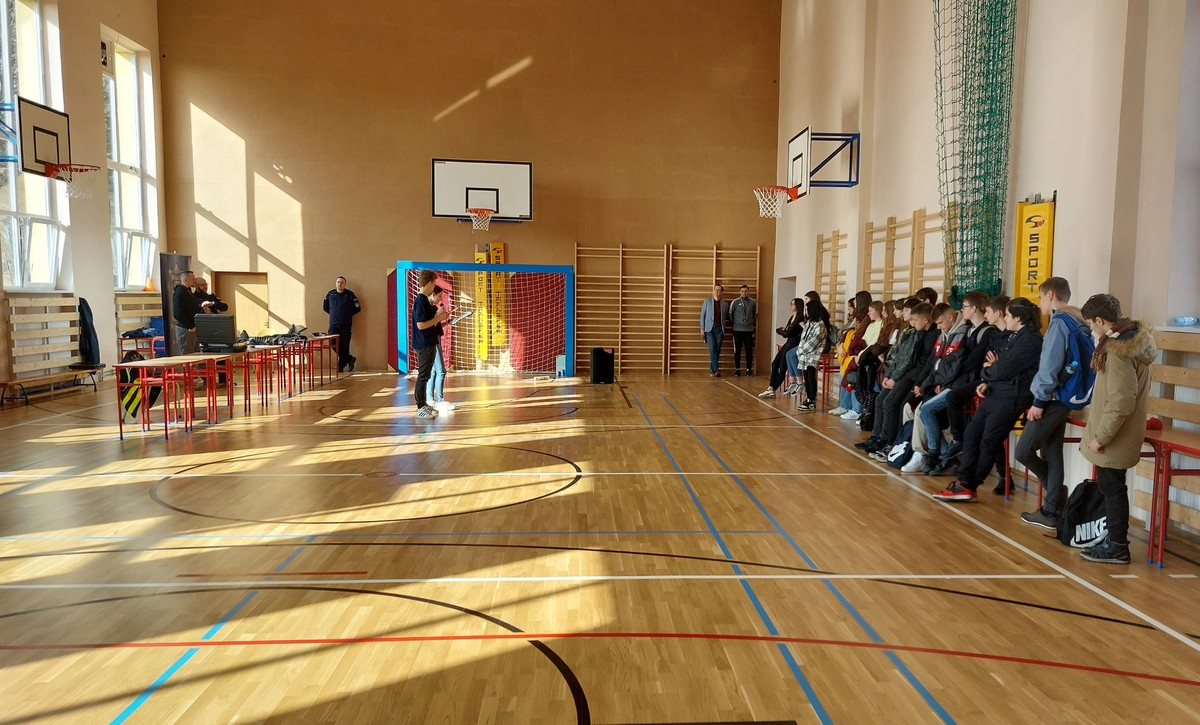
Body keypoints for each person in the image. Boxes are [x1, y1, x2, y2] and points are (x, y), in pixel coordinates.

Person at [932, 297, 1043, 501]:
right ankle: (963, 482)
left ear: (1018, 318)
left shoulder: (1030, 340)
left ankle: (969, 485)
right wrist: (989, 377)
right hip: (997, 391)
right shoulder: (1014, 336)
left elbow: (1003, 368)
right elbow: (995, 366)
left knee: (989, 441)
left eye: (1008, 315)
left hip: (1012, 395)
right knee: (972, 434)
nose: (1005, 319)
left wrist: (990, 370)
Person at [1077, 294, 1156, 564]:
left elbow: (1121, 400)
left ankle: (1118, 546)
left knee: (1112, 489)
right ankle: (1114, 540)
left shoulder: (1118, 350)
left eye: (1090, 323)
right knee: (1113, 487)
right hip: (1120, 432)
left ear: (1100, 320)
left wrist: (1101, 437)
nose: (1090, 329)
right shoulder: (1129, 342)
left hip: (1114, 436)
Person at [1018, 277, 1086, 530]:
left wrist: (1039, 401)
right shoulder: (1078, 321)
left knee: (1023, 451)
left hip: (1052, 398)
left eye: (1040, 297)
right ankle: (1050, 511)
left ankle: (1055, 498)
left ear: (1050, 295)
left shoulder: (1059, 323)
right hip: (1066, 396)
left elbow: (1050, 366)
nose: (1039, 304)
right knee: (1053, 452)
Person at [903, 303, 971, 474]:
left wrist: (937, 384)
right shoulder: (943, 335)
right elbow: (933, 363)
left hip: (953, 386)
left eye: (940, 323)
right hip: (937, 384)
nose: (939, 327)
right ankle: (944, 455)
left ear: (950, 318)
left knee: (923, 411)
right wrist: (922, 383)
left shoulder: (963, 334)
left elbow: (954, 368)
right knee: (914, 409)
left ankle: (928, 453)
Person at [412, 270, 448, 419]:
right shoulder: (420, 300)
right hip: (424, 343)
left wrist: (438, 316)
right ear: (429, 283)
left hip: (429, 342)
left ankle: (424, 404)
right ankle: (420, 407)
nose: (434, 286)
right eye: (434, 283)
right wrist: (439, 317)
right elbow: (421, 325)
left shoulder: (425, 301)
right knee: (423, 375)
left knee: (426, 375)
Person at [791, 293, 831, 411]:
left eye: (807, 310)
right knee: (806, 378)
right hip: (804, 355)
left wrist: (801, 350)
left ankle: (811, 400)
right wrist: (800, 350)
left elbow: (814, 341)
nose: (806, 312)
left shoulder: (820, 324)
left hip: (812, 355)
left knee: (811, 377)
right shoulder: (809, 323)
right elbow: (803, 338)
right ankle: (808, 398)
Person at [760, 298, 803, 398]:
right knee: (775, 364)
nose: (790, 306)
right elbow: (786, 332)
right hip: (788, 343)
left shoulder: (800, 318)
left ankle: (773, 389)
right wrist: (782, 331)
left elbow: (787, 332)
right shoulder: (792, 317)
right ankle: (770, 387)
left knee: (782, 367)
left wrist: (780, 331)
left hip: (793, 344)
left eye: (792, 304)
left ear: (797, 306)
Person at [426, 285, 456, 412]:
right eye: (439, 296)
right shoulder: (429, 308)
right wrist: (438, 315)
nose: (440, 299)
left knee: (433, 371)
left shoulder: (433, 308)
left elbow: (436, 326)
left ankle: (430, 399)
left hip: (435, 339)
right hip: (432, 342)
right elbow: (427, 326)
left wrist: (447, 322)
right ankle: (439, 400)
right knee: (441, 370)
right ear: (433, 294)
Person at [323, 275, 361, 373]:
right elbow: (325, 307)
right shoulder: (330, 294)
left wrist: (347, 315)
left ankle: (341, 365)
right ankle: (349, 359)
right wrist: (335, 315)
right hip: (333, 323)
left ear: (345, 284)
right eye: (338, 282)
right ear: (336, 283)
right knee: (332, 343)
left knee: (345, 345)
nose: (340, 284)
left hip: (346, 324)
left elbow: (357, 308)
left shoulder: (350, 295)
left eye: (342, 282)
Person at [699, 283, 730, 377]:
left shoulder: (725, 304)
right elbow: (702, 315)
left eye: (719, 290)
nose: (717, 291)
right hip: (709, 329)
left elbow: (726, 317)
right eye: (715, 290)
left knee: (717, 349)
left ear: (721, 292)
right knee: (712, 348)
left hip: (719, 329)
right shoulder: (707, 301)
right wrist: (702, 328)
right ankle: (716, 369)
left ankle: (712, 370)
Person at [171, 269, 202, 355]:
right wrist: (190, 326)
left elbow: (192, 308)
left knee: (196, 354)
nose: (194, 281)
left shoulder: (189, 291)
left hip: (193, 328)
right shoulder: (180, 292)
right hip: (186, 329)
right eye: (193, 279)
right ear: (186, 280)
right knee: (187, 354)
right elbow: (177, 313)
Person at [730, 284, 758, 377]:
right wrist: (736, 323)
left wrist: (749, 323)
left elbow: (755, 314)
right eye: (742, 291)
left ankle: (748, 370)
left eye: (746, 291)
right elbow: (730, 314)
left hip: (749, 330)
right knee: (737, 350)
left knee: (749, 350)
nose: (744, 293)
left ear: (748, 292)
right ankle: (737, 369)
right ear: (739, 292)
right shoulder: (735, 302)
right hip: (737, 330)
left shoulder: (753, 302)